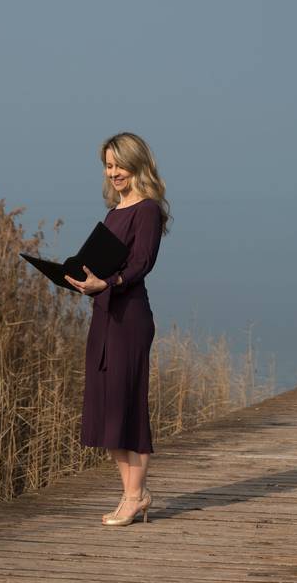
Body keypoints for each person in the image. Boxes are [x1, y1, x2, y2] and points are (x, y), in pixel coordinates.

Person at [64, 132, 171, 526]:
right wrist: (80, 278)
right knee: (105, 411)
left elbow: (141, 264)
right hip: (104, 315)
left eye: (118, 165)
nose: (113, 173)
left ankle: (132, 497)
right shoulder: (113, 213)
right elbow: (104, 266)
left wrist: (106, 284)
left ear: (137, 163)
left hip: (130, 319)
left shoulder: (146, 210)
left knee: (128, 407)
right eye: (107, 166)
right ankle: (136, 495)